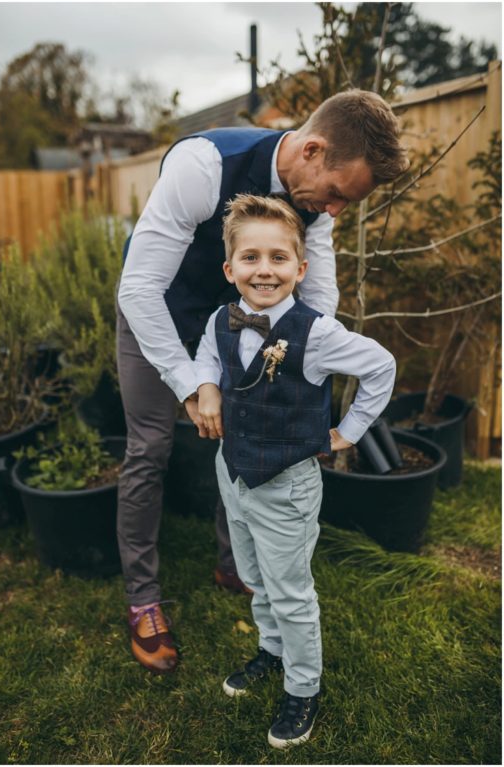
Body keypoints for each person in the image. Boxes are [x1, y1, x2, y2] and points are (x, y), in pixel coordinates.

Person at [116, 90, 408, 675]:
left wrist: (308, 362)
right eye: (338, 194)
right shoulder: (201, 166)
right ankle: (143, 600)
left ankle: (236, 565)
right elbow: (139, 289)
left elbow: (319, 297)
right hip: (158, 316)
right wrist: (191, 384)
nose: (336, 210)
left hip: (242, 324)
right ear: (314, 150)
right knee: (151, 447)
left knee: (240, 433)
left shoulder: (314, 207)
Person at [194, 194, 396, 748]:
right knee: (253, 574)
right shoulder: (221, 318)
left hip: (286, 484)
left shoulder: (318, 332)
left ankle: (303, 687)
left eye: (279, 258)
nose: (265, 269)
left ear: (300, 268)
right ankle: (272, 649)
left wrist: (348, 432)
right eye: (251, 258)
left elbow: (381, 367)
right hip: (232, 471)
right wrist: (206, 385)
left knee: (290, 590)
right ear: (230, 268)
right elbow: (208, 356)